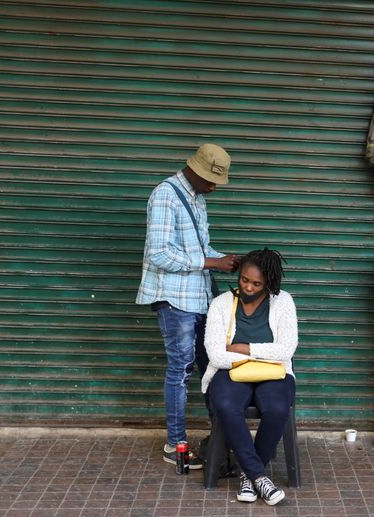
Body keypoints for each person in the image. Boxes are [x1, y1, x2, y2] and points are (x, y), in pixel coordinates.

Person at [136, 143, 241, 469]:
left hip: (199, 299)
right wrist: (211, 262)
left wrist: (227, 260)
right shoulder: (166, 195)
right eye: (211, 180)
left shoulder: (196, 199)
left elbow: (201, 247)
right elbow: (160, 254)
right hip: (175, 301)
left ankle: (222, 437)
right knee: (180, 372)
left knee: (211, 368)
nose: (214, 187)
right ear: (195, 170)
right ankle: (175, 444)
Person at [202, 249, 297, 506]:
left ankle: (248, 475)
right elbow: (215, 355)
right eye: (244, 279)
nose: (248, 287)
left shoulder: (283, 302)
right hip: (230, 373)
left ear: (269, 283)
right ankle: (258, 476)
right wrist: (264, 354)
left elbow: (286, 350)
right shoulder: (221, 304)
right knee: (225, 405)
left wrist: (244, 349)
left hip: (274, 374)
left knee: (277, 408)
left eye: (257, 283)